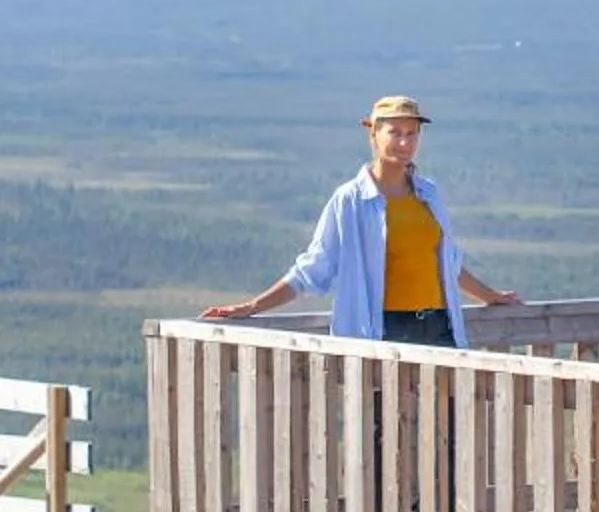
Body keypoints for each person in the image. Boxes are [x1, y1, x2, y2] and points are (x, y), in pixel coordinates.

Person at [199, 95, 520, 346]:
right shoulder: (350, 200)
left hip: (440, 327)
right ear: (374, 132)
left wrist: (490, 297)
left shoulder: (429, 194)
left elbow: (446, 262)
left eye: (412, 133)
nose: (405, 143)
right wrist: (251, 307)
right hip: (383, 331)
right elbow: (313, 268)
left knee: (448, 426)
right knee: (387, 427)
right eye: (394, 132)